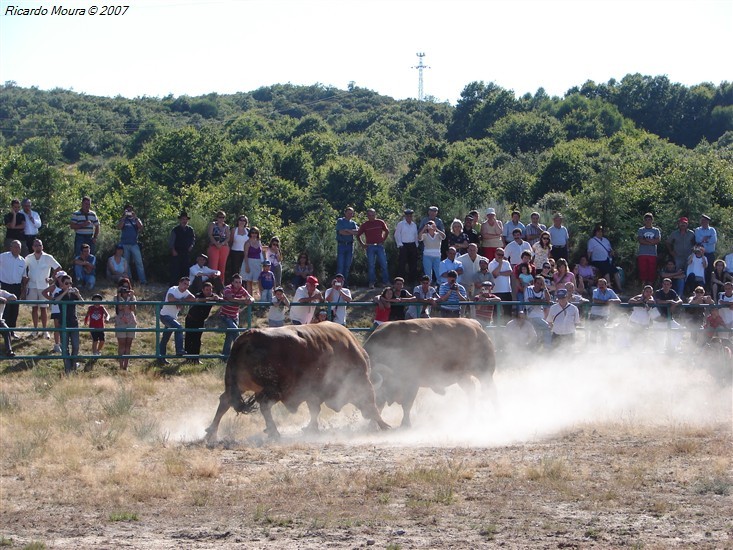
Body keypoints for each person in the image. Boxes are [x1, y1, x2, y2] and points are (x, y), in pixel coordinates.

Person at [24, 238, 60, 338]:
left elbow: (58, 267)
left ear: (42, 246)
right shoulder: (28, 257)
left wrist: (52, 278)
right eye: (35, 245)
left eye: (39, 245)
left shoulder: (48, 257)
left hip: (44, 287)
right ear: (32, 247)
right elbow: (23, 268)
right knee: (34, 308)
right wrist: (25, 278)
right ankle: (35, 330)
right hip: (32, 285)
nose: (37, 247)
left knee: (44, 309)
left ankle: (45, 331)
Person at [157, 277, 196, 365]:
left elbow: (193, 298)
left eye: (188, 285)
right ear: (180, 283)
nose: (186, 286)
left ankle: (160, 357)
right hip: (165, 316)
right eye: (184, 284)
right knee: (179, 328)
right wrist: (180, 300)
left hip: (172, 317)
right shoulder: (173, 289)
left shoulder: (185, 292)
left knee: (165, 338)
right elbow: (170, 298)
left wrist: (181, 300)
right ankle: (179, 349)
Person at [184, 281, 222, 363]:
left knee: (197, 339)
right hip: (191, 319)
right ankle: (188, 358)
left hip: (200, 321)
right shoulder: (199, 295)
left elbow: (219, 299)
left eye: (210, 289)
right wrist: (210, 299)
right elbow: (197, 300)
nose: (209, 291)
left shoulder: (212, 296)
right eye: (207, 290)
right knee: (189, 338)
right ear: (203, 290)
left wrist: (217, 298)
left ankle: (196, 358)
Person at [54, 274, 83, 374]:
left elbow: (82, 304)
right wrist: (65, 292)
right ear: (62, 285)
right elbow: (55, 301)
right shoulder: (59, 293)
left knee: (76, 346)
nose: (69, 285)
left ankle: (73, 366)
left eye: (70, 283)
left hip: (74, 323)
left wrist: (78, 294)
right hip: (64, 324)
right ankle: (67, 369)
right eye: (67, 283)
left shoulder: (74, 294)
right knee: (65, 348)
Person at [219, 274, 253, 359]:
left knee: (229, 335)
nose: (238, 284)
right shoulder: (228, 288)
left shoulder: (242, 289)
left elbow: (251, 297)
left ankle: (225, 356)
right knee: (235, 332)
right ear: (232, 282)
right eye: (236, 282)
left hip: (235, 315)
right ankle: (241, 353)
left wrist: (250, 300)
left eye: (239, 282)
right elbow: (231, 299)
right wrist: (244, 301)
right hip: (225, 315)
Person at [357, 208, 390, 289]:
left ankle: (386, 282)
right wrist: (362, 244)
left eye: (373, 215)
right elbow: (358, 235)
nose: (371, 217)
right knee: (371, 265)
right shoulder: (365, 225)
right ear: (367, 216)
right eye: (369, 215)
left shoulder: (380, 222)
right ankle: (372, 282)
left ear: (375, 215)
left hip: (379, 246)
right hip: (370, 246)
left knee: (384, 264)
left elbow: (387, 231)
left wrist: (383, 240)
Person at [0, 240, 27, 337]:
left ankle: (12, 331)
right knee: (4, 309)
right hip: (4, 285)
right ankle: (3, 332)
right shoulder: (3, 256)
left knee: (14, 310)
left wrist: (23, 290)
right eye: (15, 247)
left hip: (16, 287)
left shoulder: (22, 261)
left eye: (18, 247)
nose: (16, 249)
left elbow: (24, 277)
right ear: (10, 247)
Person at [117, 204, 147, 285]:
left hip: (134, 244)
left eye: (130, 210)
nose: (129, 212)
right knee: (126, 264)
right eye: (127, 210)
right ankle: (129, 280)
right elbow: (119, 227)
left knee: (139, 262)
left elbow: (141, 227)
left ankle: (143, 280)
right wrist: (123, 217)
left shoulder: (136, 219)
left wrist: (135, 217)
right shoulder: (123, 219)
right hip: (124, 244)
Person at [587, 225, 621, 291]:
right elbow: (589, 252)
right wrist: (588, 261)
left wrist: (612, 253)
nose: (600, 233)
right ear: (595, 232)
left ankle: (619, 288)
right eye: (598, 231)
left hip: (606, 260)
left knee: (615, 271)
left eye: (601, 231)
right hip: (597, 261)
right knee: (606, 272)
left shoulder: (606, 240)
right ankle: (609, 288)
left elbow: (610, 250)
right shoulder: (592, 241)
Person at [113, 282, 137, 371]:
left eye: (127, 287)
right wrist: (120, 297)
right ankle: (120, 365)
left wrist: (130, 297)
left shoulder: (132, 297)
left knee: (128, 345)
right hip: (120, 322)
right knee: (121, 344)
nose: (125, 290)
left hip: (131, 321)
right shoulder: (116, 298)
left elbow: (133, 309)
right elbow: (120, 308)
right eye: (123, 287)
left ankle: (126, 366)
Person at [588, 278, 621, 343]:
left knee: (603, 332)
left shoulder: (610, 291)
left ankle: (604, 347)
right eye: (599, 284)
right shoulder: (595, 291)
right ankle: (592, 347)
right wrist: (606, 302)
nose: (600, 286)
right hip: (594, 314)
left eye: (602, 284)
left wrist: (612, 300)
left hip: (604, 315)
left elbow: (619, 301)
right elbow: (595, 300)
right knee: (593, 332)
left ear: (606, 285)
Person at [43, 270, 67, 353]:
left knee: (64, 327)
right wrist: (51, 299)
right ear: (57, 279)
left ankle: (63, 344)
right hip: (56, 309)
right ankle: (57, 344)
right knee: (57, 327)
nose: (63, 279)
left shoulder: (66, 286)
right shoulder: (54, 287)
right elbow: (44, 292)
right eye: (61, 278)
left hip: (65, 309)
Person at [666, 217, 696, 285]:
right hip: (678, 257)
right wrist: (671, 251)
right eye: (682, 223)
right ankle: (676, 287)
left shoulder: (691, 233)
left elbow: (695, 243)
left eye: (685, 223)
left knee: (687, 273)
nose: (683, 224)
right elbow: (668, 242)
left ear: (687, 224)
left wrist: (693, 252)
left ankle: (687, 288)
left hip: (688, 257)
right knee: (677, 273)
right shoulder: (674, 233)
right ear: (679, 224)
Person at [169, 211, 196, 285]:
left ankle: (185, 286)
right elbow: (171, 241)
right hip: (177, 252)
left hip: (186, 252)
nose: (184, 221)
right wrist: (173, 250)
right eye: (183, 219)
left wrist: (191, 246)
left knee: (185, 270)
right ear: (180, 220)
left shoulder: (190, 229)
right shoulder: (175, 230)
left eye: (186, 219)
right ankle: (173, 286)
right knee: (176, 270)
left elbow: (193, 239)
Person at [524, 275, 552, 347]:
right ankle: (548, 348)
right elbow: (530, 300)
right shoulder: (529, 289)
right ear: (534, 283)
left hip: (540, 315)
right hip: (531, 315)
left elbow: (548, 300)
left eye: (541, 283)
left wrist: (545, 288)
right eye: (537, 283)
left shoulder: (543, 291)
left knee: (537, 335)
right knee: (547, 327)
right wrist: (541, 300)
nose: (539, 285)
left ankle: (534, 350)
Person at [394, 208, 419, 285]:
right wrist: (400, 244)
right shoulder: (401, 224)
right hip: (403, 245)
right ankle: (401, 281)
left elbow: (415, 235)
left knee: (413, 264)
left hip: (412, 245)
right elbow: (397, 235)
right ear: (405, 216)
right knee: (402, 264)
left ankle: (412, 281)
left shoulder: (414, 225)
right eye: (407, 216)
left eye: (410, 216)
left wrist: (416, 244)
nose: (409, 217)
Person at [335, 207, 359, 286]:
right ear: (345, 213)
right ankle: (338, 283)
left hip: (350, 245)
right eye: (349, 213)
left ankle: (345, 283)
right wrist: (351, 231)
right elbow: (341, 232)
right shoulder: (340, 221)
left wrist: (347, 230)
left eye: (351, 213)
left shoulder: (353, 223)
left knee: (347, 265)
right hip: (341, 245)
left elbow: (357, 232)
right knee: (340, 265)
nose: (350, 215)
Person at [489, 248, 513, 324]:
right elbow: (495, 274)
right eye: (499, 255)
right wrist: (500, 264)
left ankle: (507, 326)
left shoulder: (507, 263)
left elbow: (509, 272)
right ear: (495, 254)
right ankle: (496, 327)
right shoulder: (491, 264)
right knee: (496, 311)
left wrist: (500, 273)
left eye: (502, 255)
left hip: (507, 290)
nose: (500, 257)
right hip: (496, 291)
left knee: (508, 311)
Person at [636, 213, 661, 287]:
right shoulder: (641, 230)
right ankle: (643, 286)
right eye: (646, 220)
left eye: (649, 219)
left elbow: (657, 241)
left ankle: (650, 286)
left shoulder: (656, 230)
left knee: (651, 270)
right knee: (643, 270)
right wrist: (651, 241)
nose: (648, 221)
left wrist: (646, 240)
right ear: (644, 221)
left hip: (652, 253)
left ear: (652, 220)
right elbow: (641, 241)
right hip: (642, 253)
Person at [419, 219, 445, 284]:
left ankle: (439, 285)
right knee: (428, 273)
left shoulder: (438, 235)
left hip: (437, 256)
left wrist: (437, 229)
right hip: (427, 256)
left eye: (432, 224)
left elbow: (444, 237)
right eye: (429, 225)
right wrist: (423, 229)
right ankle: (428, 285)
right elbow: (419, 238)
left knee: (438, 271)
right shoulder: (425, 235)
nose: (431, 226)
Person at [206, 210, 230, 279]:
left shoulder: (226, 226)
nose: (221, 219)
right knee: (213, 266)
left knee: (222, 266)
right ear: (216, 217)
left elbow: (228, 237)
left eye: (223, 217)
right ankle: (212, 284)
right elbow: (210, 235)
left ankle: (221, 284)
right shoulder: (212, 225)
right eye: (219, 217)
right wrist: (216, 243)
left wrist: (222, 243)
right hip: (214, 246)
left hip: (224, 247)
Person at [241, 226, 263, 296]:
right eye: (252, 232)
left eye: (256, 233)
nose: (254, 234)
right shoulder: (247, 243)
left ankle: (262, 298)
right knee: (249, 281)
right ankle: (250, 298)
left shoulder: (259, 242)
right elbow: (245, 255)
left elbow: (261, 252)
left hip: (258, 262)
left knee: (259, 280)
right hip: (249, 262)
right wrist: (247, 266)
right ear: (250, 233)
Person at [694, 214, 717, 281]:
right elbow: (698, 240)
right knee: (701, 269)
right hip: (700, 254)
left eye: (705, 221)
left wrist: (703, 240)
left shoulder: (712, 230)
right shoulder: (698, 230)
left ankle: (709, 286)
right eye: (702, 221)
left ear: (708, 222)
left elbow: (714, 240)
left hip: (710, 253)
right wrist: (708, 238)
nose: (704, 222)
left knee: (710, 270)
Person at [228, 215, 249, 281]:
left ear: (246, 222)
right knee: (235, 270)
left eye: (244, 220)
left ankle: (243, 285)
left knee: (243, 270)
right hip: (235, 252)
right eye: (241, 220)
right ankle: (233, 284)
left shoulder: (248, 230)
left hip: (245, 253)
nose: (242, 222)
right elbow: (230, 241)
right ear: (238, 221)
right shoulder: (234, 230)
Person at [0, 284, 17, 357]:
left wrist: (7, 298)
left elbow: (14, 297)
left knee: (7, 331)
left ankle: (9, 351)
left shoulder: (3, 292)